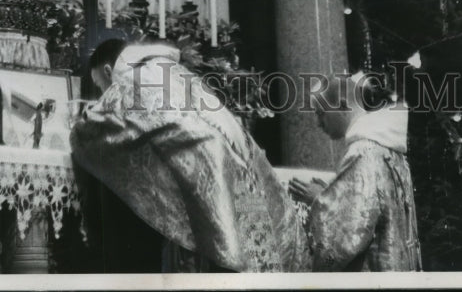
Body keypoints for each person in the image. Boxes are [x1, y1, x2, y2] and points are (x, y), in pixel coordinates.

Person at [70, 37, 311, 273]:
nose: (102, 91)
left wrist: (80, 120)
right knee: (249, 246)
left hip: (207, 169)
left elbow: (90, 128)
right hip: (235, 161)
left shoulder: (130, 79)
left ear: (108, 70)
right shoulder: (175, 72)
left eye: (99, 84)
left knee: (222, 250)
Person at [289, 74, 422, 272]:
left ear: (342, 105)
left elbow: (347, 236)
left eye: (321, 113)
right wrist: (333, 194)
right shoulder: (388, 147)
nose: (318, 123)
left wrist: (318, 200)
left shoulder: (362, 152)